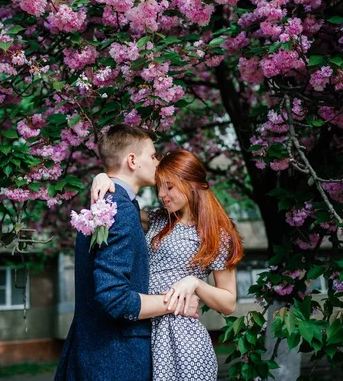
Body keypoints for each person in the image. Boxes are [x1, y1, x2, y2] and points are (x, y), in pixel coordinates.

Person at [54, 126, 199, 381]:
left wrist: (102, 176)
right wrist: (176, 303)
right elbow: (114, 297)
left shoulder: (110, 204)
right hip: (115, 359)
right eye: (153, 156)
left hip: (95, 354)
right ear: (132, 160)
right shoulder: (117, 209)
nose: (158, 162)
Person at [92, 149, 244, 381]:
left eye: (169, 187)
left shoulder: (217, 234)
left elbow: (229, 302)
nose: (162, 194)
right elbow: (119, 204)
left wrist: (194, 284)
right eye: (159, 187)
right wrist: (104, 178)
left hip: (183, 341)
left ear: (191, 183)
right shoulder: (158, 219)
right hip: (143, 331)